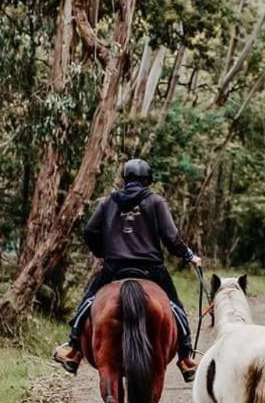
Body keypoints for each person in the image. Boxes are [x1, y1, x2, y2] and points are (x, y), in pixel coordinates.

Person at [53, 159, 203, 382]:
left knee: (88, 301)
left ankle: (73, 349)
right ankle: (185, 357)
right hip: (151, 270)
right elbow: (171, 238)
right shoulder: (155, 201)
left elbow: (89, 232)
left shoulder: (108, 202)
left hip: (114, 268)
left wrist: (102, 252)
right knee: (175, 307)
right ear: (147, 180)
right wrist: (189, 255)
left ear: (125, 179)